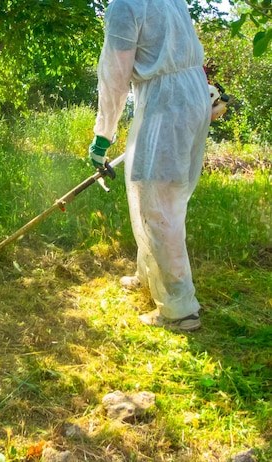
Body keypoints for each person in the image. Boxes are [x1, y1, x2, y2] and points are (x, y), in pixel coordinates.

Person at [88, 0, 215, 331]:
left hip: (167, 102)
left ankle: (180, 308)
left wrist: (103, 137)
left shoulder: (123, 7)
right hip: (192, 94)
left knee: (157, 204)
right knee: (158, 193)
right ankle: (150, 275)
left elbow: (115, 77)